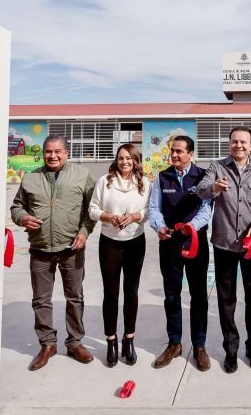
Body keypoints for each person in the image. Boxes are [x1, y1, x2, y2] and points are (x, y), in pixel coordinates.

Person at [10, 135, 96, 371]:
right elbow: (17, 207)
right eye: (48, 151)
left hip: (72, 248)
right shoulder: (31, 178)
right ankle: (47, 344)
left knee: (75, 297)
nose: (53, 156)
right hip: (40, 248)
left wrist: (84, 232)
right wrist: (22, 218)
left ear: (66, 153)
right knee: (40, 300)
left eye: (58, 151)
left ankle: (75, 342)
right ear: (43, 153)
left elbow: (93, 208)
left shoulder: (82, 175)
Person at [196, 126, 251, 373]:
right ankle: (231, 350)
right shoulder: (217, 167)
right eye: (235, 142)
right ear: (230, 144)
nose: (239, 145)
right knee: (227, 300)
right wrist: (215, 188)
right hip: (224, 243)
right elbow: (201, 190)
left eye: (243, 142)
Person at [147, 136, 213, 372]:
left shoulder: (204, 177)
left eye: (179, 151)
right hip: (170, 244)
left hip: (195, 242)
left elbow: (206, 209)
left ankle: (199, 346)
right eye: (172, 151)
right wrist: (159, 226)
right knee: (172, 295)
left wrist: (191, 226)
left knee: (198, 296)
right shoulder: (162, 177)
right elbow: (154, 207)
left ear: (191, 154)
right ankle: (174, 343)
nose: (174, 155)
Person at [88, 144, 150, 367]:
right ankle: (111, 340)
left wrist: (134, 216)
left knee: (131, 293)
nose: (125, 162)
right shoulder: (105, 181)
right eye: (121, 158)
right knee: (111, 293)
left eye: (129, 158)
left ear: (136, 160)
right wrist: (109, 216)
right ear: (116, 160)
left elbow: (149, 211)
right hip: (110, 244)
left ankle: (129, 340)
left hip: (135, 242)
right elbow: (93, 209)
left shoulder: (145, 183)